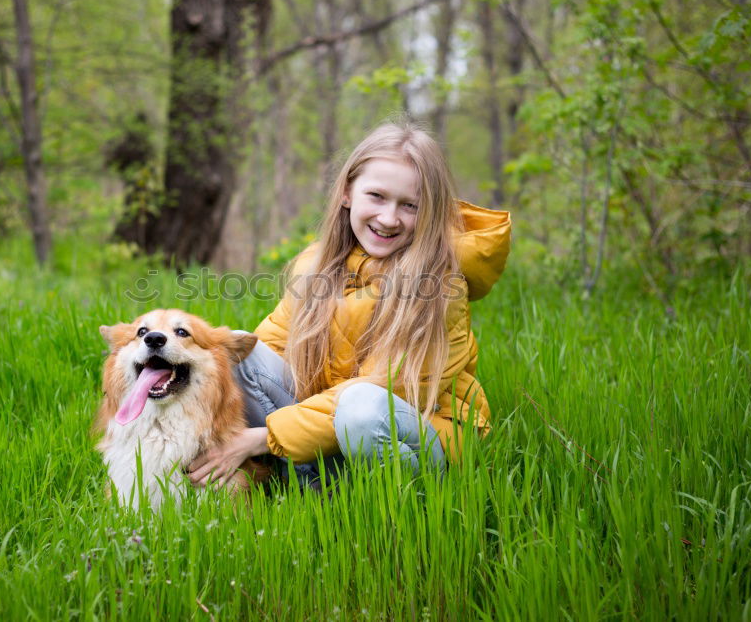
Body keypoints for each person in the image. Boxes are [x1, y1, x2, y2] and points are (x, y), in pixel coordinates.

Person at [188, 120, 511, 487]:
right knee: (233, 351)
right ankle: (304, 483)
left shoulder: (441, 287)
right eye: (377, 196)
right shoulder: (317, 264)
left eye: (410, 206)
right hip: (334, 426)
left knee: (361, 406)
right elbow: (272, 344)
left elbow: (383, 394)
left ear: (431, 212)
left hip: (418, 437)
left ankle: (391, 508)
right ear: (347, 192)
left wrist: (263, 438)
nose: (389, 218)